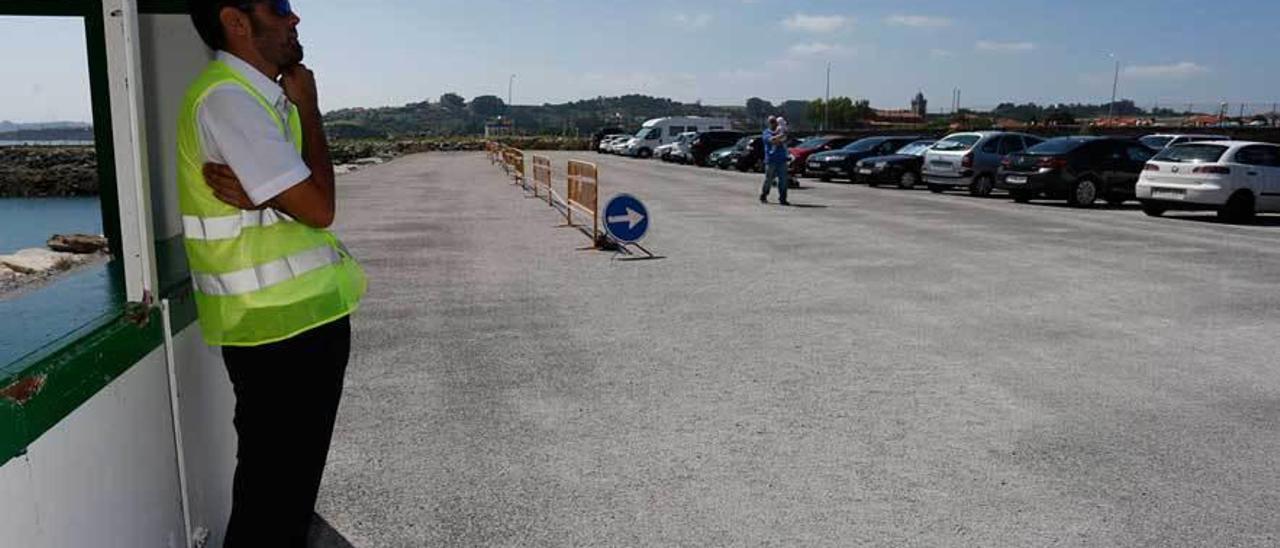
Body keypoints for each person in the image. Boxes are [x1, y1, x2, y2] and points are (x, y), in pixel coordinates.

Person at [182, 1, 367, 546]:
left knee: (282, 496)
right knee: (272, 502)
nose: (295, 18)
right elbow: (319, 207)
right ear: (235, 21)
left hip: (293, 325)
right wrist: (310, 109)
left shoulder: (260, 101)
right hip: (278, 333)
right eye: (278, 7)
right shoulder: (231, 101)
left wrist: (276, 198)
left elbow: (298, 200)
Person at [760, 116, 790, 205]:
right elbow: (773, 141)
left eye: (775, 121)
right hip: (771, 160)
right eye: (771, 122)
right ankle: (764, 194)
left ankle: (783, 198)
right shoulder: (766, 133)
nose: (774, 123)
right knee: (768, 179)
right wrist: (781, 135)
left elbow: (786, 141)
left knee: (783, 180)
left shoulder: (781, 130)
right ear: (769, 123)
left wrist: (784, 135)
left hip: (782, 160)